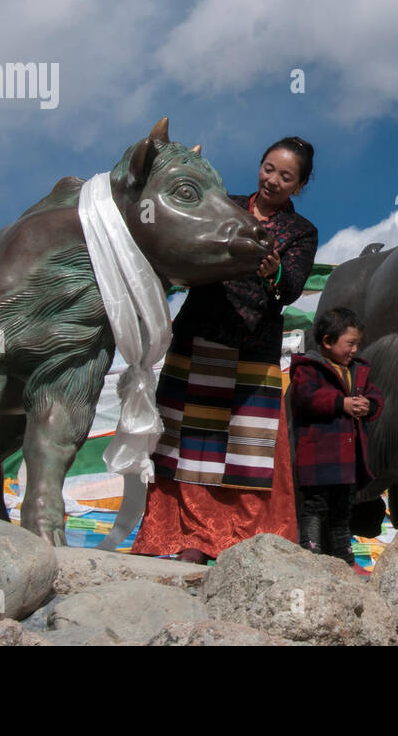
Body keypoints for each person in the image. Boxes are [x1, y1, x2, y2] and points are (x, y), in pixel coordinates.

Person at [132, 137, 318, 564]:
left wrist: (274, 274)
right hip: (199, 336)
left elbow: (289, 290)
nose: (273, 180)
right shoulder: (223, 203)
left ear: (300, 186)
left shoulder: (301, 232)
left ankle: (241, 544)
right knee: (188, 445)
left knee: (245, 452)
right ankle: (188, 541)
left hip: (253, 350)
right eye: (269, 168)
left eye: (285, 177)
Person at [289, 307, 384, 566]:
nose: (355, 350)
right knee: (316, 506)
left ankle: (343, 558)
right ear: (328, 341)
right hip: (319, 456)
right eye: (350, 343)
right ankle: (311, 553)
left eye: (357, 344)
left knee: (343, 512)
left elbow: (376, 395)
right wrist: (340, 403)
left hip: (348, 460)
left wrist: (369, 405)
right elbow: (305, 398)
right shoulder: (308, 369)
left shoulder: (358, 370)